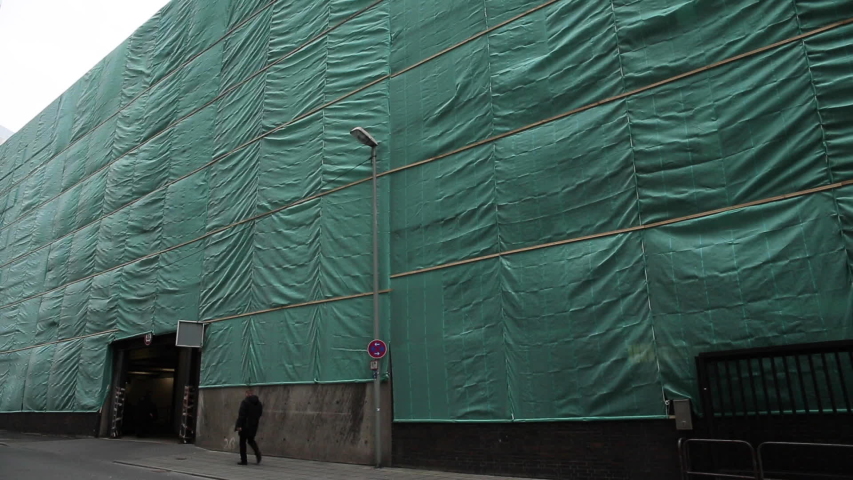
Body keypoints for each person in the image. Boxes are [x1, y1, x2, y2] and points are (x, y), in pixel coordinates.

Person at [234, 388, 263, 465]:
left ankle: (244, 460)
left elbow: (242, 415)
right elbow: (260, 413)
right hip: (253, 425)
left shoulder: (245, 402)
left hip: (244, 426)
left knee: (242, 442)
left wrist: (239, 425)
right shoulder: (258, 403)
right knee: (251, 440)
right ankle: (257, 453)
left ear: (247, 393)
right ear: (252, 393)